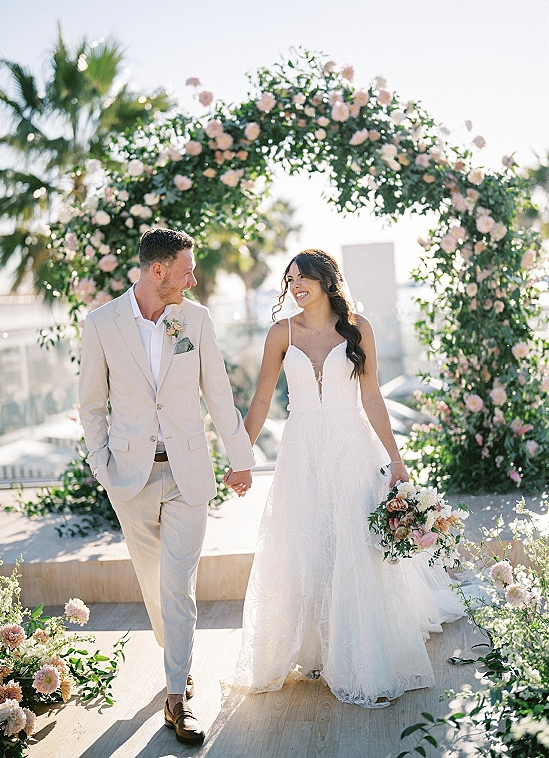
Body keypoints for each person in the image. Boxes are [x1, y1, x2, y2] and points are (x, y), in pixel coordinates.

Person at [232, 248, 464, 707]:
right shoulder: (281, 333)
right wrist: (241, 456)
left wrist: (396, 460)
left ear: (326, 280)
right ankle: (312, 647)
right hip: (301, 452)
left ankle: (356, 649)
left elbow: (372, 395)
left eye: (305, 278)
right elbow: (260, 401)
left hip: (352, 447)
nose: (296, 286)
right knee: (304, 542)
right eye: (290, 279)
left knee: (354, 544)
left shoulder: (359, 328)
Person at [79, 228, 254, 743]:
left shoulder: (194, 319)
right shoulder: (102, 323)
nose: (193, 279)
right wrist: (101, 464)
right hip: (130, 477)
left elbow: (219, 395)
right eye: (186, 270)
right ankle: (177, 656)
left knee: (177, 584)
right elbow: (91, 404)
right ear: (158, 271)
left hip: (186, 474)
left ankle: (177, 697)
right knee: (156, 586)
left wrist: (240, 458)